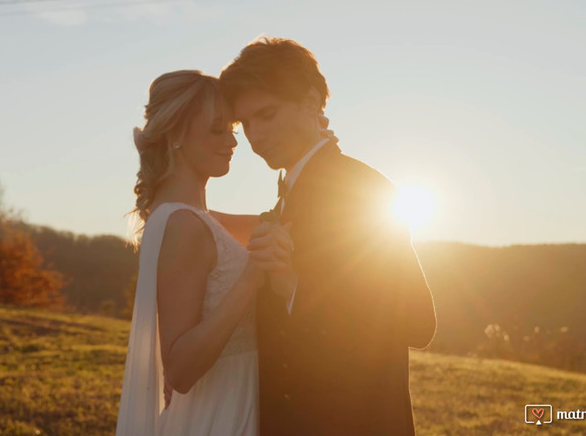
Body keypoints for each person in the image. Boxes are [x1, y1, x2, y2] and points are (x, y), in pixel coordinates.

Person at [213, 37, 438, 435]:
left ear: (311, 101)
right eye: (245, 123)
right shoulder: (291, 193)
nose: (255, 136)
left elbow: (417, 321)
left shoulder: (361, 189)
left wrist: (293, 287)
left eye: (267, 114)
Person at [115, 70, 293, 436]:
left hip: (233, 399)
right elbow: (179, 369)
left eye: (232, 129)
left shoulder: (194, 218)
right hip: (219, 414)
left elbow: (283, 222)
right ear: (176, 134)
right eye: (217, 130)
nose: (233, 141)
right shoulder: (183, 225)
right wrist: (250, 279)